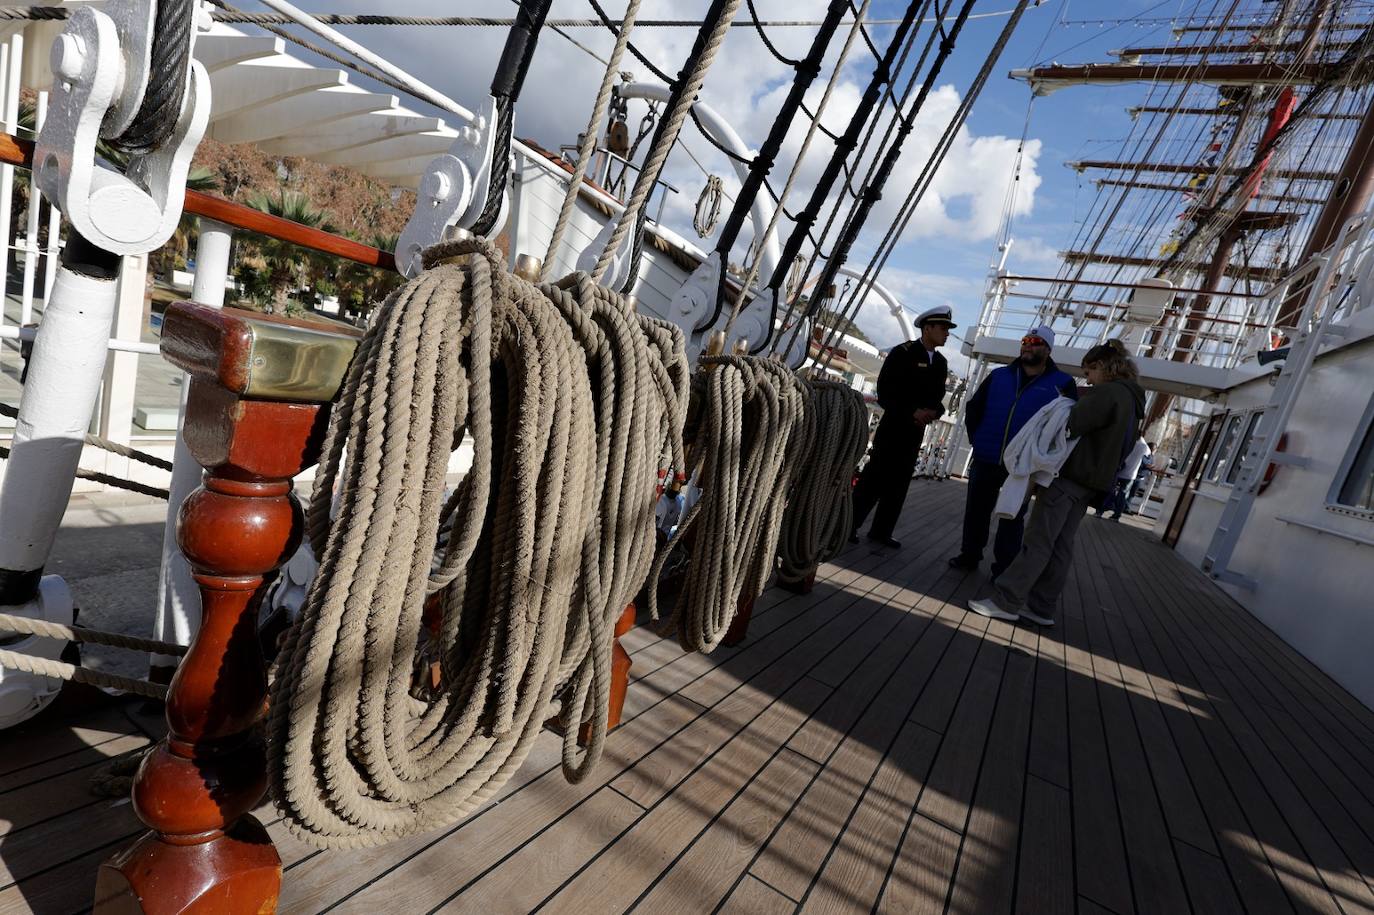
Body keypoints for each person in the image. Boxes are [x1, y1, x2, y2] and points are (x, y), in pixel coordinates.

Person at [969, 339, 1145, 626]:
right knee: (1061, 545)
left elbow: (1072, 423)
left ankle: (1007, 601)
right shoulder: (1132, 400)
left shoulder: (1108, 393)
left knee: (1038, 540)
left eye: (1089, 372)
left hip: (1071, 478)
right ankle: (1041, 607)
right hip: (1093, 483)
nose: (1087, 378)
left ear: (1101, 367)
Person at [948, 325, 1077, 577]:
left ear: (1048, 350)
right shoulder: (998, 376)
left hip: (1023, 464)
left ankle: (1003, 568)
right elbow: (974, 408)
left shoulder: (1062, 384)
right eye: (1026, 340)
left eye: (1036, 342)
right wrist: (978, 440)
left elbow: (1066, 428)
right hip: (987, 457)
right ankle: (969, 555)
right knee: (976, 511)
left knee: (1012, 517)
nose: (1028, 345)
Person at [851, 305, 954, 548]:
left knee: (899, 484)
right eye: (943, 328)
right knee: (874, 479)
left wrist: (933, 412)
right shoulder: (903, 353)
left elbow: (938, 397)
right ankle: (849, 525)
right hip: (893, 428)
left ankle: (881, 531)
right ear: (927, 328)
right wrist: (912, 411)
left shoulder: (940, 362)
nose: (946, 333)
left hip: (915, 432)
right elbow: (886, 392)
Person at [1100, 436, 1153, 520]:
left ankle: (1100, 511)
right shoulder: (1144, 447)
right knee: (1123, 496)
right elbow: (1149, 459)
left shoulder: (1128, 441)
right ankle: (1116, 516)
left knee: (1110, 491)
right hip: (1130, 475)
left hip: (1119, 471)